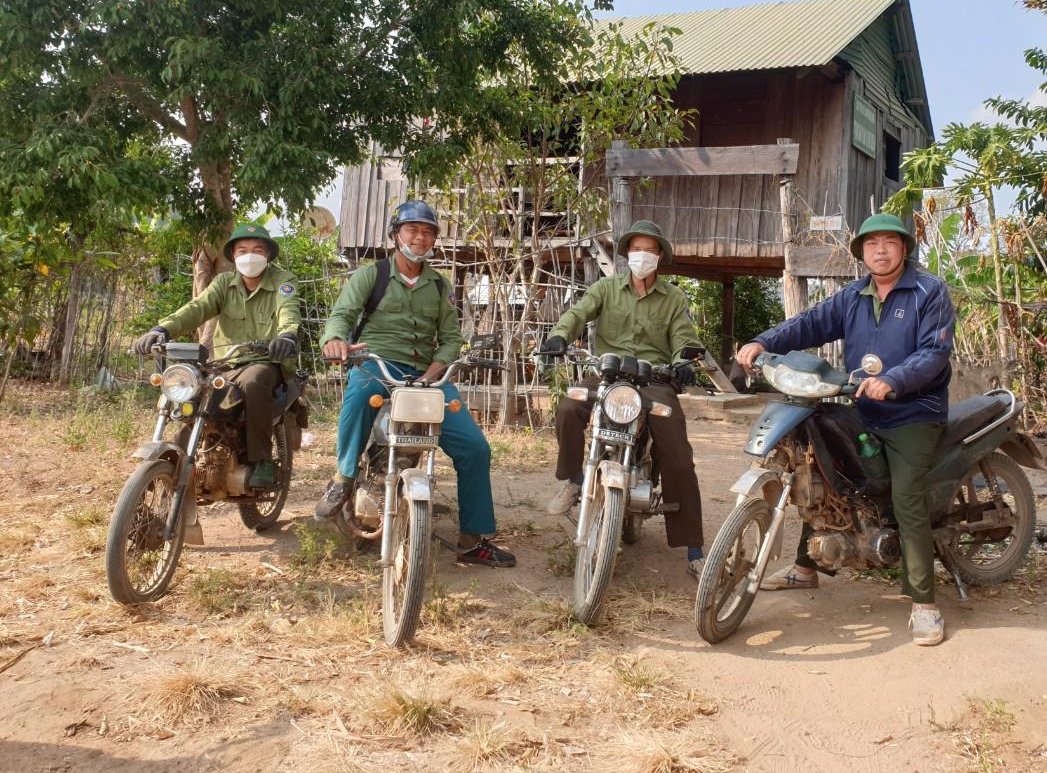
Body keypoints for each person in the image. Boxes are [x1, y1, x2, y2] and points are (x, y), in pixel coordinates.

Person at [735, 212, 955, 646]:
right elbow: (808, 324)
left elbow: (934, 353)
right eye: (871, 244)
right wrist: (763, 341)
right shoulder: (854, 294)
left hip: (914, 411)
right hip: (862, 406)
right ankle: (804, 569)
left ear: (904, 249)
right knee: (821, 470)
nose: (880, 250)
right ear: (862, 253)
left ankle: (924, 603)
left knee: (906, 495)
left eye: (889, 242)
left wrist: (894, 380)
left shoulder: (930, 291)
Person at [312, 199, 515, 568]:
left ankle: (473, 539)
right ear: (395, 236)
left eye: (427, 232)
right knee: (357, 396)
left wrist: (433, 372)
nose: (420, 238)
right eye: (412, 230)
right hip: (377, 365)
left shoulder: (439, 285)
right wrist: (335, 340)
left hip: (425, 377)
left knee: (475, 448)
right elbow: (342, 315)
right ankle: (342, 478)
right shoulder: (370, 276)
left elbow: (451, 337)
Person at [539, 220, 708, 578]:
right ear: (626, 254)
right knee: (570, 405)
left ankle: (693, 547)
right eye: (636, 249)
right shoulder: (606, 288)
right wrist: (558, 336)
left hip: (654, 381)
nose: (641, 255)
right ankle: (574, 480)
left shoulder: (674, 298)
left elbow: (683, 337)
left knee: (676, 447)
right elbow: (577, 313)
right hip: (607, 374)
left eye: (649, 249)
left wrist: (682, 362)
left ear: (659, 256)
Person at [132, 223, 300, 488]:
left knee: (254, 381)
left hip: (265, 361)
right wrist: (162, 328)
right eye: (243, 250)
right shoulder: (223, 283)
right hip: (225, 361)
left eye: (257, 249)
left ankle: (261, 460)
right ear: (233, 255)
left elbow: (288, 311)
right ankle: (174, 459)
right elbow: (198, 308)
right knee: (195, 391)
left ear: (268, 255)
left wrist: (287, 336)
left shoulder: (283, 281)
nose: (250, 255)